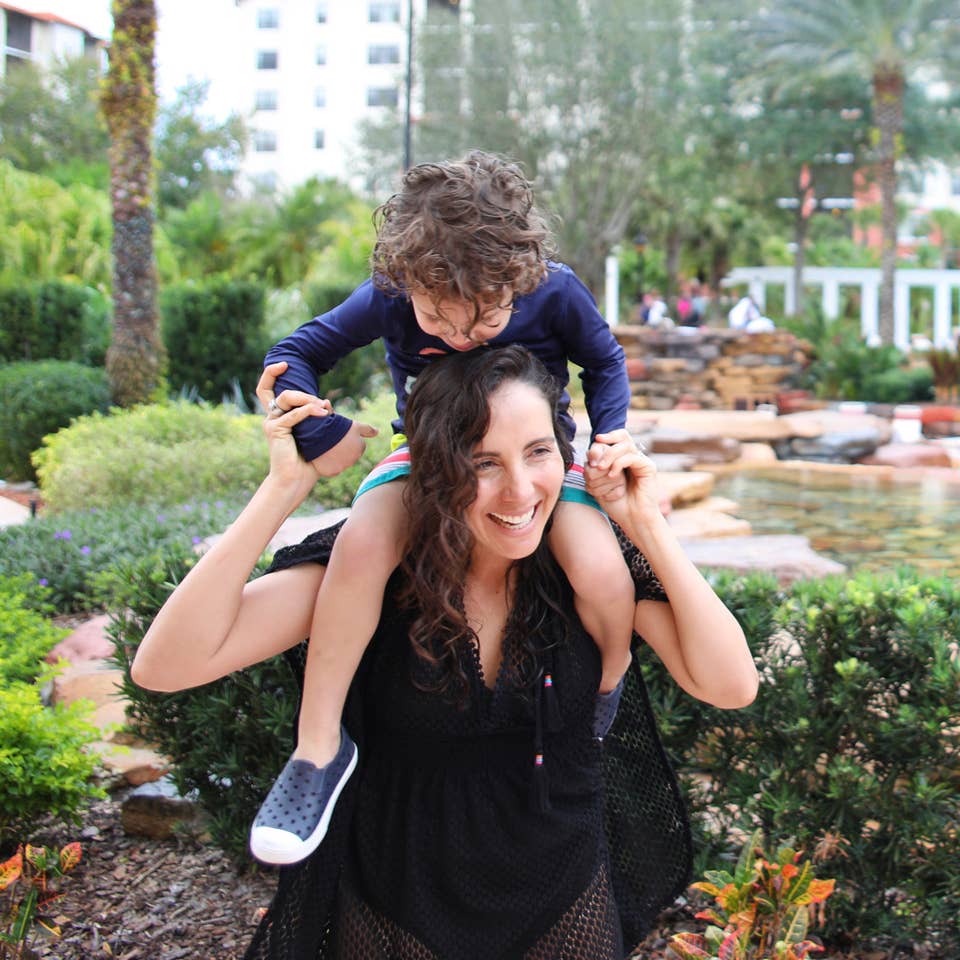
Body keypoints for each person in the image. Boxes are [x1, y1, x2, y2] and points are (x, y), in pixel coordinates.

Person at [132, 347, 758, 960]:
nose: (519, 491)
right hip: (397, 902)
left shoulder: (584, 574)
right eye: (483, 462)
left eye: (538, 452)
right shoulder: (370, 578)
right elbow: (166, 665)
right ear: (433, 469)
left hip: (563, 896)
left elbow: (731, 686)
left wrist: (644, 523)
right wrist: (282, 490)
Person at [254, 150, 637, 865]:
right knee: (360, 548)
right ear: (407, 284)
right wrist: (317, 428)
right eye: (439, 319)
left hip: (536, 462)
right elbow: (292, 354)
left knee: (602, 568)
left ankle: (607, 686)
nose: (459, 336)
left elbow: (605, 361)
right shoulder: (388, 297)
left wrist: (609, 433)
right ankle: (317, 749)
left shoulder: (554, 293)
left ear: (518, 280)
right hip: (428, 459)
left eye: (485, 318)